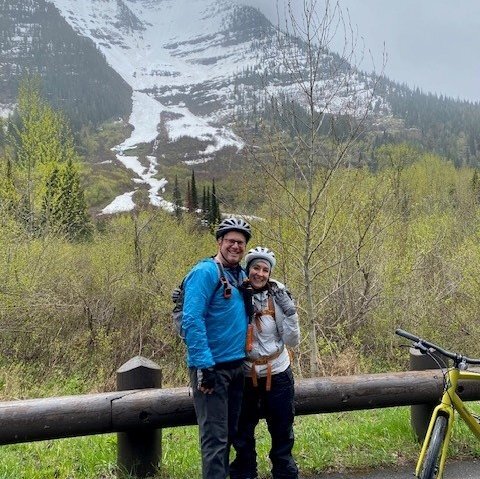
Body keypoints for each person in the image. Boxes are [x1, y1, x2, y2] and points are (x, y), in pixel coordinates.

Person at [182, 217, 252, 479]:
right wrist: (204, 365)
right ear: (219, 242)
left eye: (240, 242)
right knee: (215, 440)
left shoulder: (241, 275)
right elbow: (192, 318)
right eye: (231, 241)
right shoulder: (205, 272)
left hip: (236, 366)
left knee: (230, 434)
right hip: (212, 369)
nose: (236, 246)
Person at [230, 246, 300, 479]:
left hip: (277, 372)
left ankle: (284, 472)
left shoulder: (278, 296)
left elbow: (292, 340)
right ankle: (245, 471)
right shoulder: (235, 293)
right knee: (242, 431)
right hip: (245, 373)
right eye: (255, 268)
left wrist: (290, 313)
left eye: (265, 270)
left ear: (269, 273)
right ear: (247, 269)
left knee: (282, 428)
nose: (260, 273)